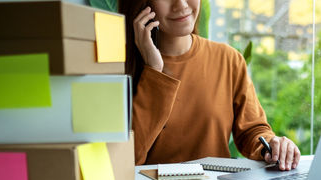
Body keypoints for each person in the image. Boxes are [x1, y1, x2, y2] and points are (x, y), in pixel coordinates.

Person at [120, 0, 300, 170]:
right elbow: (126, 160)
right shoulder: (120, 67)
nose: (181, 4)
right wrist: (153, 71)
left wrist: (274, 146)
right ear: (144, 3)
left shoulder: (228, 59)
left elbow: (252, 130)